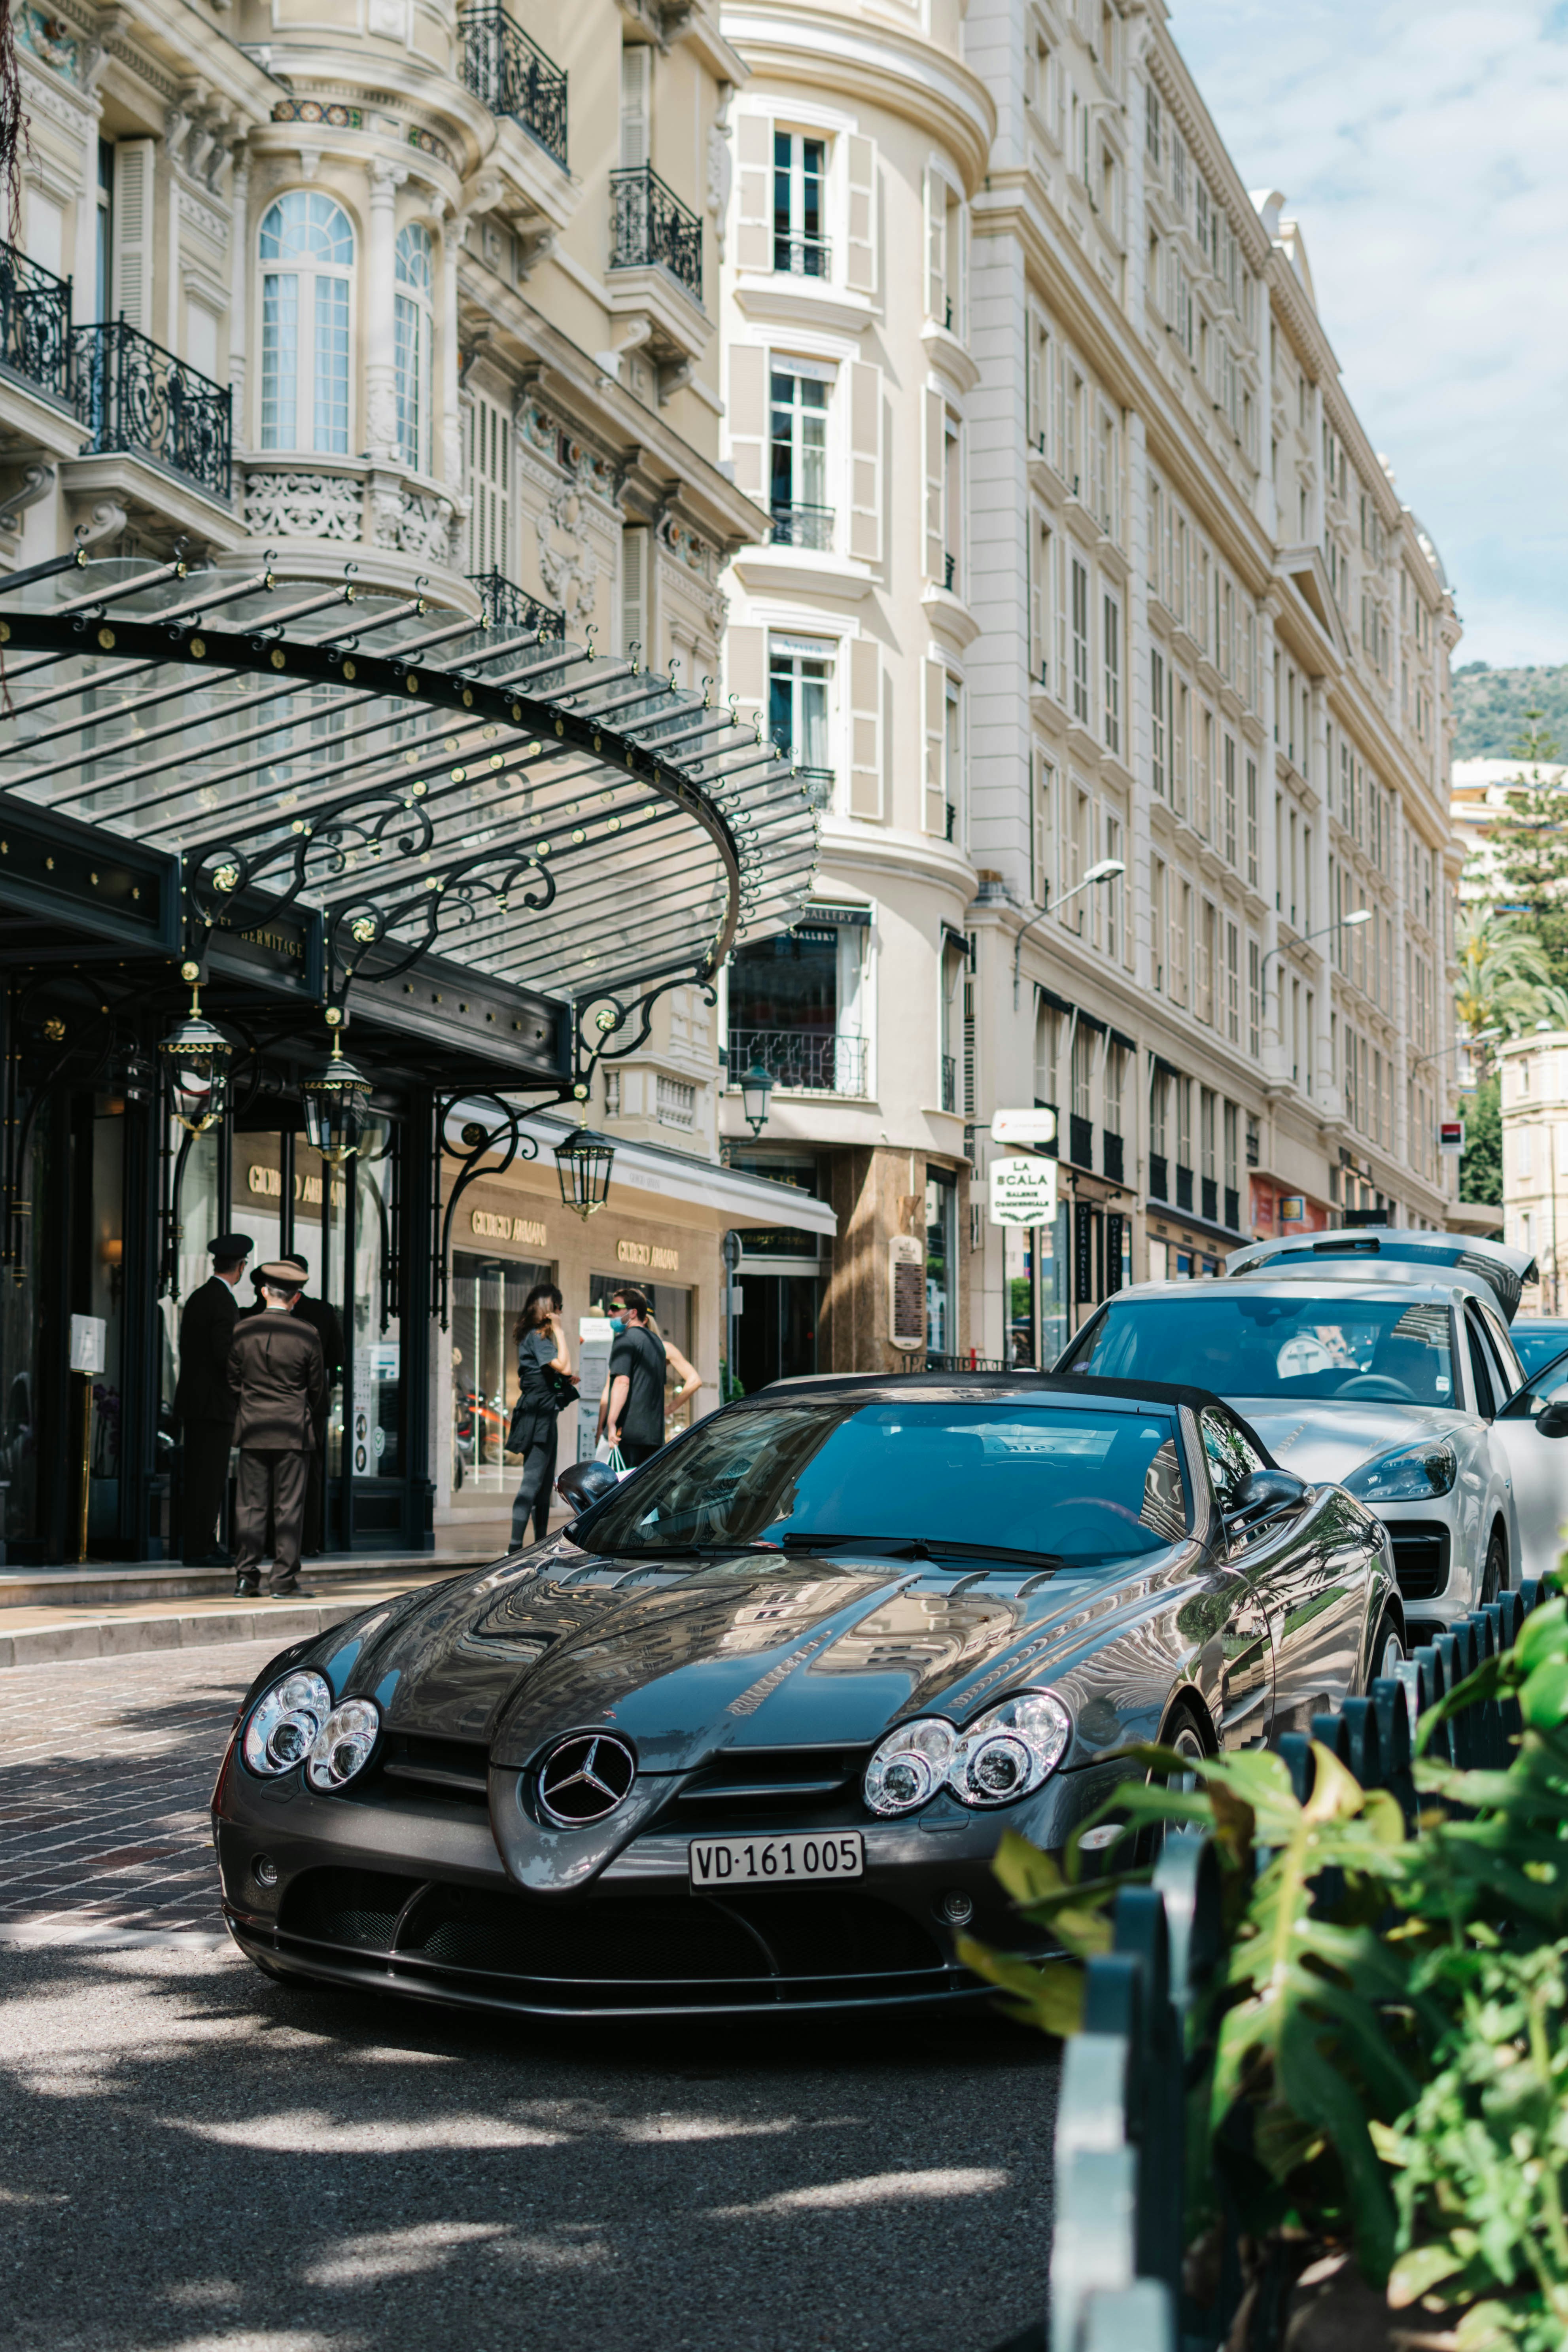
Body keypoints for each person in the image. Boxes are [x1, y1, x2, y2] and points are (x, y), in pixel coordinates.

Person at [227, 1261, 327, 1597]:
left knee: (249, 1506)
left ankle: (246, 1578)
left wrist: (251, 1404)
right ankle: (283, 1580)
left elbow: (233, 1380)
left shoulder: (243, 1329)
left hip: (253, 1428)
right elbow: (317, 1387)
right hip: (293, 1429)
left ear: (263, 1291)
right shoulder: (307, 1333)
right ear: (296, 1297)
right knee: (289, 1508)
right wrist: (298, 1407)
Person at [237, 1251, 344, 1555]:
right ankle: (306, 1543)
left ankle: (258, 1550)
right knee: (306, 1478)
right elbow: (337, 1357)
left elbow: (234, 1372)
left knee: (258, 1483)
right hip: (307, 1408)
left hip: (258, 1410)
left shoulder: (250, 1316)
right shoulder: (321, 1312)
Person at [173, 1231, 254, 1565]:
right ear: (242, 1266)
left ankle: (201, 1542)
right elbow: (225, 1356)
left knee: (199, 1475)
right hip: (214, 1405)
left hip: (196, 1402)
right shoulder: (222, 1301)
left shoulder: (199, 1296)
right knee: (209, 1478)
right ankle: (200, 1547)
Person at [597, 1286, 698, 1467]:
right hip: (653, 1435)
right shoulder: (659, 1345)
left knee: (614, 1482)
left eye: (615, 1308)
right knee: (643, 1484)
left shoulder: (625, 1339)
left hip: (626, 1433)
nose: (610, 1312)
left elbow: (621, 1382)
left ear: (633, 1313)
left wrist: (611, 1423)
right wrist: (669, 1409)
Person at [509, 1283, 575, 1548]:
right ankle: (514, 1547)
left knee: (544, 1485)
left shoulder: (535, 1338)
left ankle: (539, 1544)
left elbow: (541, 1376)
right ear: (551, 1309)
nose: (562, 1312)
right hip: (538, 1418)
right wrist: (560, 1331)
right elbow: (565, 1365)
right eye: (560, 1307)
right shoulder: (538, 1337)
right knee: (532, 1483)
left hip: (544, 1416)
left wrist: (563, 1381)